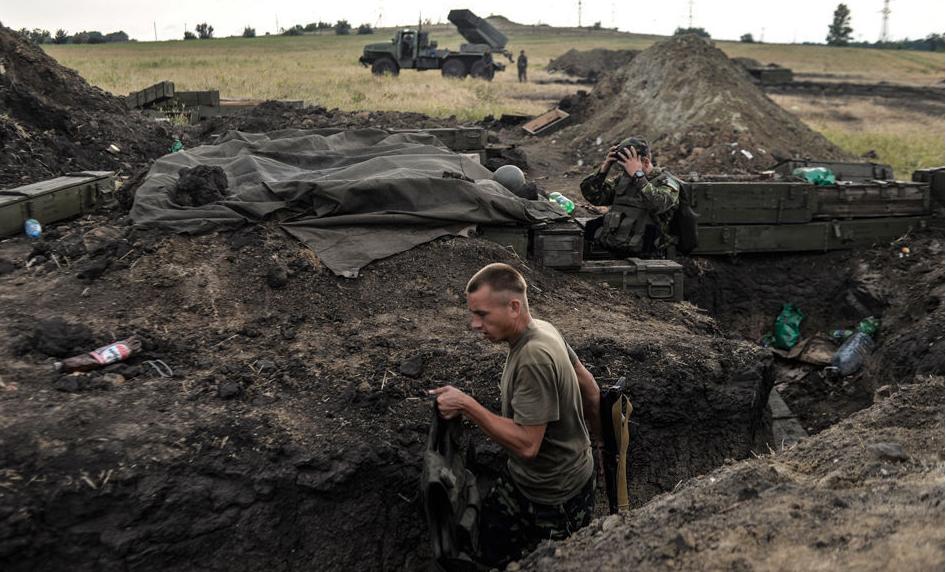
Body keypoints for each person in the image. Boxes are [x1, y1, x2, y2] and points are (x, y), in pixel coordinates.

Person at [429, 263, 601, 567]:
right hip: (527, 480)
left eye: (482, 314)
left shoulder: (534, 358)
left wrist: (467, 405)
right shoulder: (545, 328)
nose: (474, 324)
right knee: (489, 537)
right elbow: (590, 388)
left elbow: (527, 445)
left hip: (553, 498)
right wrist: (592, 444)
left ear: (513, 307)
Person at [580, 137, 683, 258]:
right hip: (617, 248)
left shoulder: (666, 182)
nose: (625, 172)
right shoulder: (625, 179)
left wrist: (638, 176)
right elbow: (595, 197)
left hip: (650, 257)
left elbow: (658, 205)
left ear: (645, 161)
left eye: (628, 166)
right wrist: (605, 168)